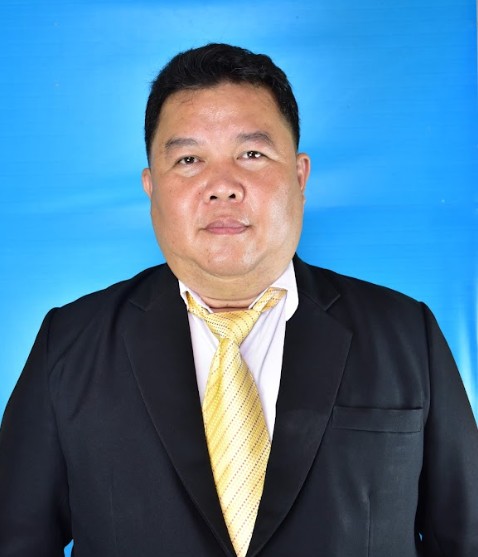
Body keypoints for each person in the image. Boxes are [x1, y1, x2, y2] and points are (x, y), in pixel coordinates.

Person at [0, 43, 477, 557]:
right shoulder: (69, 345)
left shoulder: (406, 335)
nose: (222, 187)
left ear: (299, 177)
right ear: (151, 187)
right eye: (188, 159)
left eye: (252, 154)